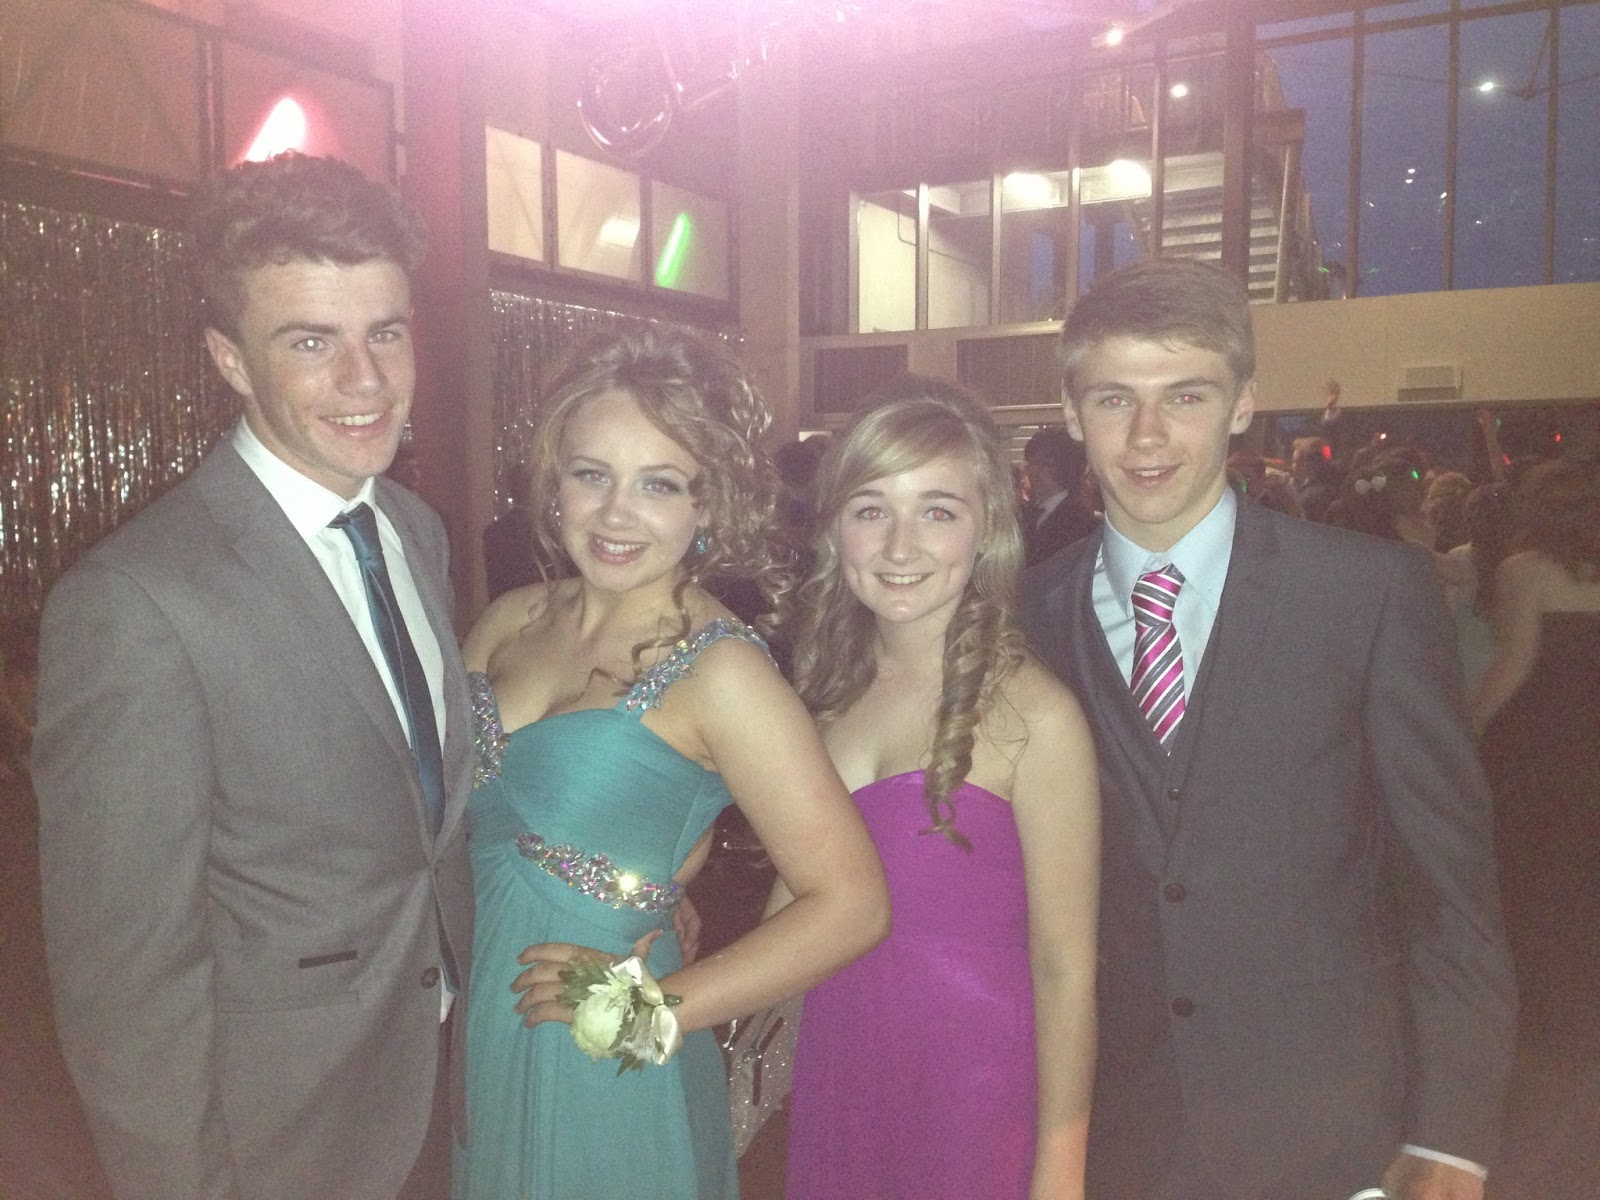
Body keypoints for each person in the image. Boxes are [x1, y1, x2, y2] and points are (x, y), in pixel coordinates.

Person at [1019, 258, 1515, 1200]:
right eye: (1115, 398)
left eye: (1187, 395)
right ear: (1073, 413)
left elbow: (1452, 884)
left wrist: (1453, 1131)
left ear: (1243, 403)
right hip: (1117, 1130)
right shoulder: (1027, 614)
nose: (1148, 434)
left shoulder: (1367, 594)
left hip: (1332, 1123)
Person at [31, 152, 474, 1200]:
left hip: (437, 1081)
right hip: (278, 1132)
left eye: (386, 332)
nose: (367, 381)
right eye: (311, 342)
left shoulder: (414, 531)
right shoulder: (136, 603)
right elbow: (125, 982)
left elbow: (418, 810)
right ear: (230, 360)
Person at [454, 327, 890, 1200]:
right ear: (554, 482)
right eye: (592, 475)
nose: (616, 515)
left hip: (604, 1048)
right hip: (488, 1026)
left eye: (658, 484)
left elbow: (853, 905)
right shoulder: (507, 620)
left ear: (708, 504)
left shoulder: (722, 671)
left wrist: (656, 1011)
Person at [780, 380, 1100, 1199]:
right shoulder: (821, 699)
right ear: (835, 529)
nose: (900, 545)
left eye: (937, 511)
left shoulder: (1035, 715)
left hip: (975, 1103)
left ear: (987, 528)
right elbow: (790, 918)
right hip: (840, 1077)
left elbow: (1066, 967)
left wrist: (1060, 1171)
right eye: (871, 509)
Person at [1469, 456, 1600, 1199]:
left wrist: (1464, 735)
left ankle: (1544, 1018)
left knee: (1536, 887)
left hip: (1545, 752)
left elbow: (1513, 665)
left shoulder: (1526, 571)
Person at [1022, 424, 1098, 565]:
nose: (1028, 470)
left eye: (1033, 462)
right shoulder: (1029, 512)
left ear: (1049, 466)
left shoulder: (1077, 523)